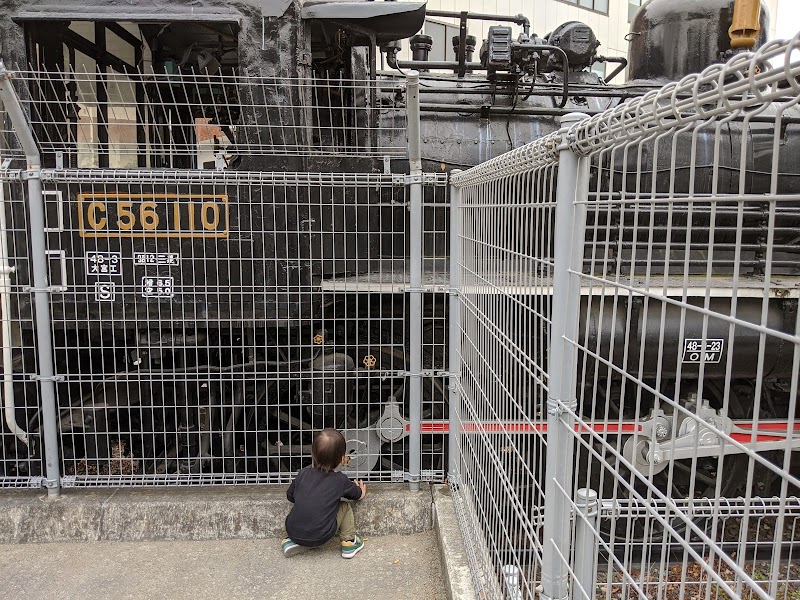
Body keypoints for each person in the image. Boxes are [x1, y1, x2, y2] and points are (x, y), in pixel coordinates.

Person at [281, 428, 367, 559]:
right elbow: (357, 496)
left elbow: (290, 496)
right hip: (323, 534)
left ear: (313, 454)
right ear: (341, 459)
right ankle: (349, 542)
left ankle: (289, 541)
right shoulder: (340, 480)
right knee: (344, 506)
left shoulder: (303, 474)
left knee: (299, 507)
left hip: (293, 531)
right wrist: (361, 491)